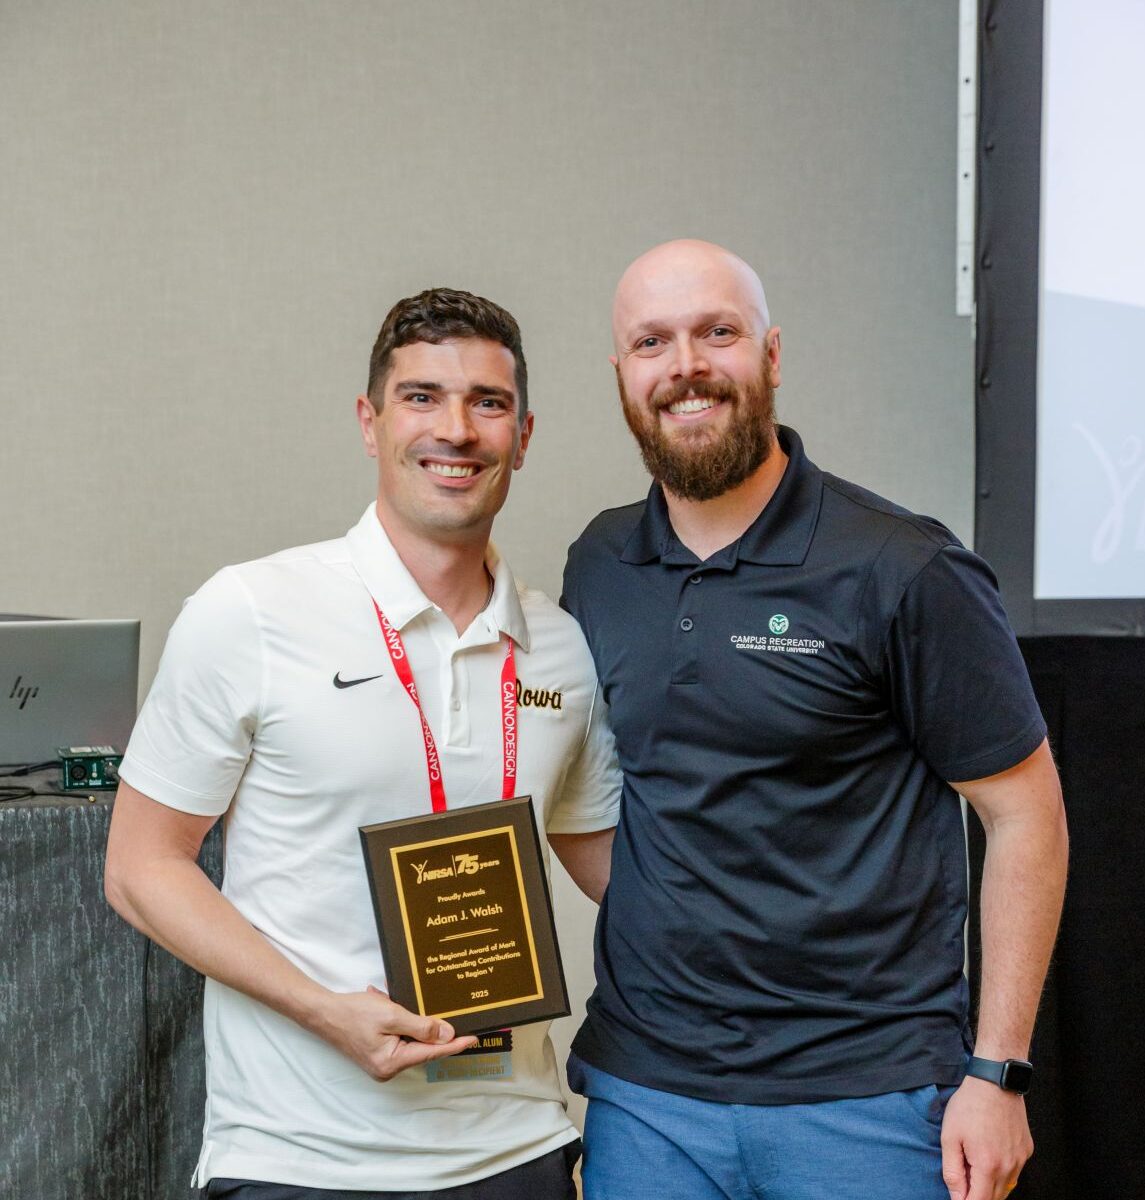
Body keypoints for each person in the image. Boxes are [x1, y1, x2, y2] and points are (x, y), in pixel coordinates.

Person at [550, 240, 1069, 1200]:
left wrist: (998, 1074)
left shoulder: (902, 568)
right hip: (648, 1099)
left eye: (718, 332)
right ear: (623, 374)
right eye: (653, 342)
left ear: (772, 356)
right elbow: (590, 790)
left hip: (867, 1101)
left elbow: (1026, 813)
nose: (687, 366)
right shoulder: (600, 565)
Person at [105, 288, 621, 1199]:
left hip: (516, 1149)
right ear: (369, 421)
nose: (455, 430)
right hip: (300, 1157)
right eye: (421, 397)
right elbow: (141, 869)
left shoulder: (563, 647)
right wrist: (325, 1012)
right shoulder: (252, 611)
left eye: (487, 403)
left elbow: (617, 867)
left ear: (525, 435)